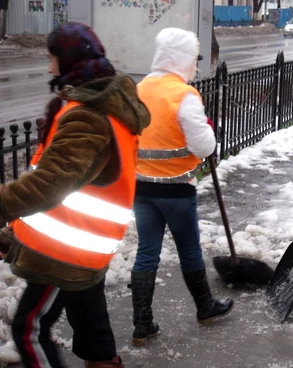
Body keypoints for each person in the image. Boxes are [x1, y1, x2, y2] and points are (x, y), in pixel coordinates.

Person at [0, 22, 150, 367]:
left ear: (67, 60)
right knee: (91, 328)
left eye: (52, 58)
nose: (49, 67)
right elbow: (65, 182)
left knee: (28, 330)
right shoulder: (98, 103)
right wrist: (15, 233)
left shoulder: (89, 115)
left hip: (64, 251)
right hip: (81, 240)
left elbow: (49, 184)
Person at [131, 27, 232, 346]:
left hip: (142, 187)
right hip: (177, 189)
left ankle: (142, 324)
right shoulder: (184, 95)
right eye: (193, 60)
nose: (194, 67)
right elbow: (203, 147)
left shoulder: (140, 88)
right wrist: (207, 131)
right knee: (189, 250)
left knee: (147, 251)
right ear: (182, 60)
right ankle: (205, 307)